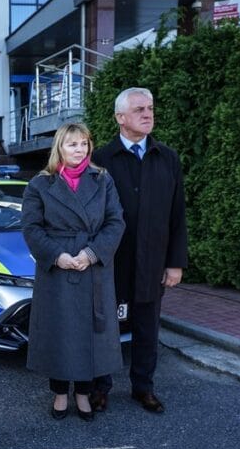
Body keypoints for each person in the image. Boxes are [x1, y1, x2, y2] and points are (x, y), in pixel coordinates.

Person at [90, 87, 188, 414]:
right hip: (112, 262)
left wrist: (175, 264)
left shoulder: (167, 158)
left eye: (150, 108)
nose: (148, 114)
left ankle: (143, 387)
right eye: (139, 110)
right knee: (107, 327)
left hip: (152, 261)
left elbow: (177, 214)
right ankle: (100, 387)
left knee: (147, 327)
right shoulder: (102, 159)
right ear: (120, 118)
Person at [21, 123, 126, 422]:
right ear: (60, 148)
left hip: (92, 267)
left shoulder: (103, 180)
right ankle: (59, 393)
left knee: (89, 334)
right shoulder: (40, 185)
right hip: (58, 268)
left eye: (84, 144)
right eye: (72, 144)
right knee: (59, 333)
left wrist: (91, 254)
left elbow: (115, 222)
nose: (79, 150)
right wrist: (58, 256)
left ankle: (83, 393)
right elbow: (31, 227)